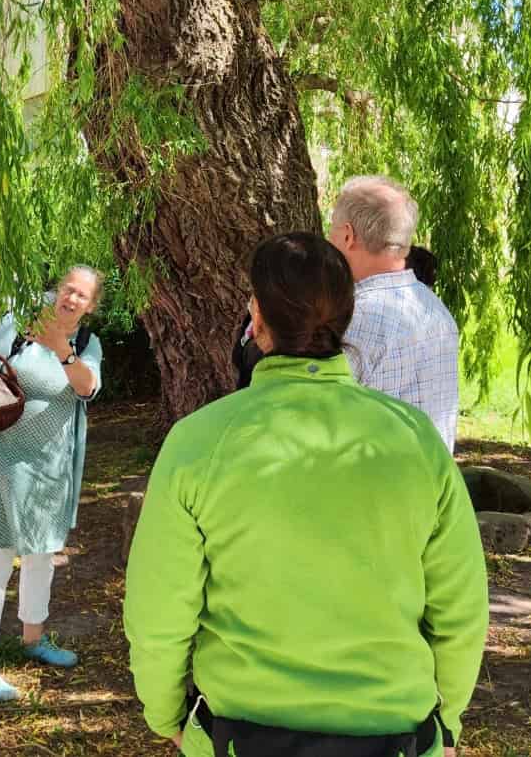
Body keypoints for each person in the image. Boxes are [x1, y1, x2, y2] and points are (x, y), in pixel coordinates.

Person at [123, 232, 487, 757]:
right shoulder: (413, 439)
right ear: (347, 314)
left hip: (238, 735)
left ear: (256, 317)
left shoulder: (200, 441)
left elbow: (159, 612)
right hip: (394, 737)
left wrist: (166, 715)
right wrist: (446, 722)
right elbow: (461, 607)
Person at [0, 266, 104, 702]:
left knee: (41, 555)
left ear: (90, 305)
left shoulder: (85, 343)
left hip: (50, 467)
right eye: (67, 289)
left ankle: (33, 637)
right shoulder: (20, 320)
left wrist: (62, 350)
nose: (71, 298)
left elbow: (87, 388)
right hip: (3, 460)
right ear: (57, 290)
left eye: (82, 295)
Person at [328, 175, 461, 451]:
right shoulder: (433, 308)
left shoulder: (356, 318)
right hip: (431, 482)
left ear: (348, 236)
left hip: (371, 487)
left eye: (332, 228)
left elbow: (324, 420)